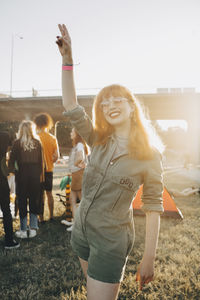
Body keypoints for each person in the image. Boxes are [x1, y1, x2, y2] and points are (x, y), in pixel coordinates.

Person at [56, 24, 164, 299]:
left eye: (117, 100)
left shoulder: (150, 155)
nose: (110, 105)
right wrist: (67, 62)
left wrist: (149, 258)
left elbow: (153, 207)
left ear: (131, 107)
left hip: (110, 243)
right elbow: (71, 105)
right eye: (104, 103)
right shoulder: (98, 139)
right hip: (80, 233)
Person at [9, 121, 43, 238]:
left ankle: (23, 230)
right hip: (35, 177)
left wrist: (14, 172)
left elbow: (11, 163)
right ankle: (33, 228)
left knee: (22, 201)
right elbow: (41, 163)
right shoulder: (38, 143)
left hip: (21, 177)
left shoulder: (17, 143)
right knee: (34, 200)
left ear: (21, 130)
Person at [61, 127, 88, 231]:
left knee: (81, 201)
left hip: (78, 174)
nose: (70, 133)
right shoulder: (78, 145)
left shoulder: (80, 145)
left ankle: (80, 224)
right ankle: (75, 221)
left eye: (72, 131)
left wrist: (78, 164)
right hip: (76, 174)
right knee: (73, 200)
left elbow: (80, 157)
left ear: (77, 134)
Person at [34, 113, 59, 222]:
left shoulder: (35, 138)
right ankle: (52, 216)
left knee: (40, 195)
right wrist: (50, 160)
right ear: (47, 123)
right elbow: (56, 156)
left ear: (37, 124)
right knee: (49, 193)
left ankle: (41, 218)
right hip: (49, 169)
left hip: (38, 171)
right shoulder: (52, 138)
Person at [0, 131, 20, 249]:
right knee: (6, 211)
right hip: (2, 184)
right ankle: (9, 240)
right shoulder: (3, 154)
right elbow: (6, 172)